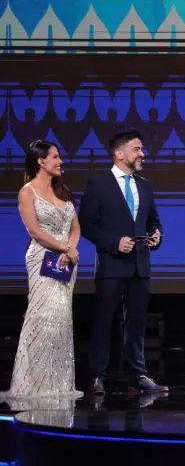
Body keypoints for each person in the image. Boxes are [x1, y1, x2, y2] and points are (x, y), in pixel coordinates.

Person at [79, 130, 168, 396]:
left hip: (140, 264)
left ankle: (138, 375)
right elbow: (85, 224)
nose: (143, 154)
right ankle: (97, 376)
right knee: (104, 321)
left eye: (142, 150)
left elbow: (154, 221)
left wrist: (157, 235)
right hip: (111, 264)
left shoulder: (145, 185)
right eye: (138, 149)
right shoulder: (98, 184)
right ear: (120, 154)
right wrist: (113, 242)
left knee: (137, 324)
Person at [0, 140, 82, 403]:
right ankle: (32, 384)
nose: (60, 161)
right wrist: (64, 248)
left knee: (61, 321)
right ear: (40, 161)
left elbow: (75, 228)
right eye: (55, 157)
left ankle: (57, 384)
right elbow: (34, 231)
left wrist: (70, 249)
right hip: (42, 260)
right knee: (41, 319)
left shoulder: (63, 192)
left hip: (66, 263)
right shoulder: (27, 192)